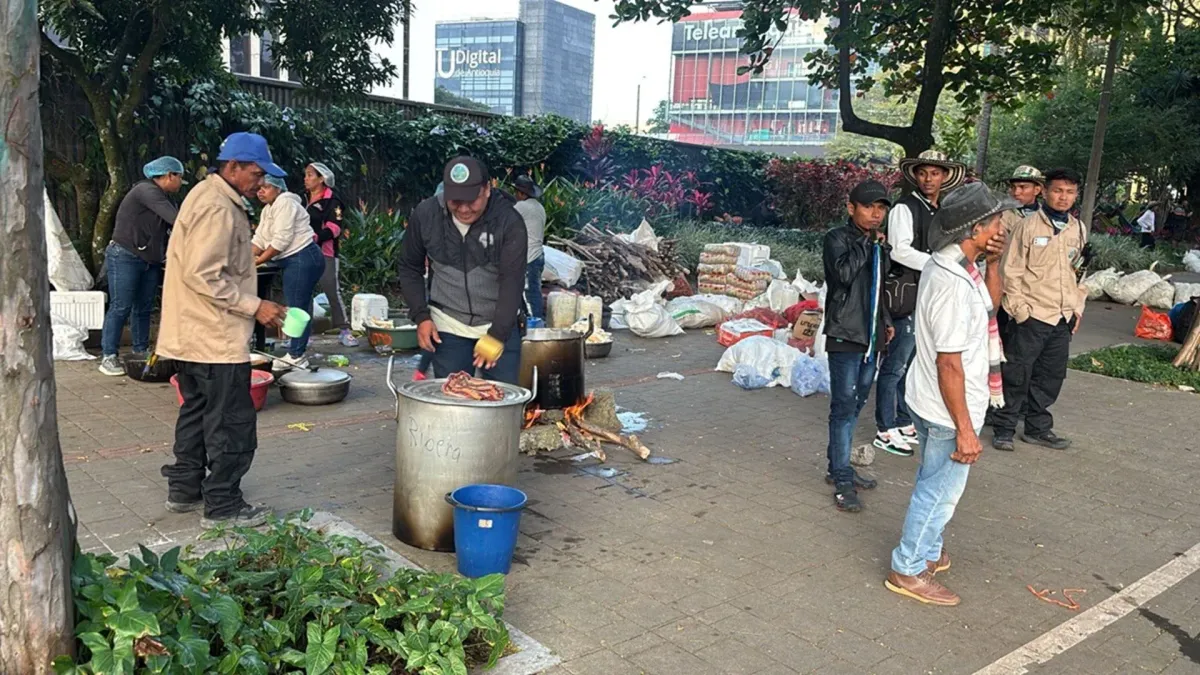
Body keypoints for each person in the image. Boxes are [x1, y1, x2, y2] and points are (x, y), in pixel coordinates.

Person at [885, 183, 1013, 606]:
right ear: (975, 229)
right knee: (939, 492)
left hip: (937, 399)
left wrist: (994, 262)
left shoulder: (963, 265)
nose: (1002, 227)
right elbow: (949, 364)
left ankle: (928, 550)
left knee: (933, 480)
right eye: (996, 222)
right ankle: (908, 567)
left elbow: (991, 306)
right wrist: (965, 430)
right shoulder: (951, 281)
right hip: (947, 406)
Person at [156, 132, 288, 528]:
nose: (260, 182)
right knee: (230, 421)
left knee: (196, 411)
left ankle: (184, 489)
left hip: (190, 335)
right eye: (255, 172)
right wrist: (256, 305)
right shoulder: (218, 207)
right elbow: (203, 274)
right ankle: (224, 505)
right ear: (231, 168)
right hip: (213, 337)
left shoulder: (205, 195)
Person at [397, 157, 527, 384]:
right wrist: (421, 316)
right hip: (448, 324)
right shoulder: (426, 215)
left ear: (487, 189)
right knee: (454, 400)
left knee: (502, 398)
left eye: (471, 200)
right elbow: (409, 267)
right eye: (455, 201)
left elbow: (512, 281)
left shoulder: (509, 221)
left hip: (498, 323)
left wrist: (497, 334)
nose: (464, 209)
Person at [875, 150, 967, 457]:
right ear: (916, 175)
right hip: (908, 293)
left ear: (943, 177)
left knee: (914, 361)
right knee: (896, 364)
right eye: (924, 173)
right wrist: (938, 264)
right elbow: (900, 250)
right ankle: (884, 427)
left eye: (935, 173)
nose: (929, 179)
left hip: (931, 293)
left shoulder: (940, 208)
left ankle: (902, 419)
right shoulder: (905, 208)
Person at [991, 168, 1088, 452]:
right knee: (1017, 373)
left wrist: (1076, 308)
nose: (1063, 197)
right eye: (1058, 190)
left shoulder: (1077, 229)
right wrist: (1021, 311)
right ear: (1044, 192)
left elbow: (1078, 273)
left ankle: (1038, 428)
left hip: (1062, 316)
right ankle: (1004, 428)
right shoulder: (1028, 226)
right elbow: (1011, 271)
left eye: (1069, 192)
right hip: (1032, 315)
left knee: (1050, 375)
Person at [822, 180, 895, 513]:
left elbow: (879, 287)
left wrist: (888, 322)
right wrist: (867, 244)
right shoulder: (837, 239)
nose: (875, 213)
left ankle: (839, 466)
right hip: (845, 335)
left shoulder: (879, 244)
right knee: (842, 407)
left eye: (881, 208)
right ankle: (842, 478)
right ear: (851, 208)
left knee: (855, 404)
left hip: (872, 335)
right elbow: (844, 275)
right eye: (869, 207)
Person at [98, 156, 185, 376]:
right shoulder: (146, 191)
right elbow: (178, 220)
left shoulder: (163, 197)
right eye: (179, 178)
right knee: (121, 306)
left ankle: (141, 351)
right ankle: (108, 356)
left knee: (143, 308)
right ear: (168, 175)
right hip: (125, 255)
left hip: (149, 260)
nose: (180, 183)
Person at [253, 174, 325, 370]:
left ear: (278, 189)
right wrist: (244, 258)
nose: (261, 191)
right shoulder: (268, 209)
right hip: (295, 260)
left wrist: (258, 261)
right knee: (300, 304)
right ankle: (296, 350)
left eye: (266, 187)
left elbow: (280, 241)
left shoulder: (285, 203)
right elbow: (259, 239)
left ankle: (296, 355)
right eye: (259, 188)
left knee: (297, 309)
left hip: (302, 258)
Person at [303, 161, 358, 347]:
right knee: (304, 292)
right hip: (304, 252)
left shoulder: (333, 202)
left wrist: (315, 238)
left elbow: (335, 229)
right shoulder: (303, 200)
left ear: (322, 179)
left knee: (331, 290)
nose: (306, 179)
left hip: (326, 252)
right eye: (306, 175)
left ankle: (344, 330)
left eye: (310, 175)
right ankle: (303, 335)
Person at [512, 175, 547, 320]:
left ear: (521, 193)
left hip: (528, 257)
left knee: (529, 295)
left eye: (516, 192)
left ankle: (535, 326)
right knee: (534, 292)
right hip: (538, 255)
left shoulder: (522, 207)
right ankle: (535, 321)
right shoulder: (539, 207)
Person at [1000, 165, 1044, 235]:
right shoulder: (1001, 216)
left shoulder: (1047, 215)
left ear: (1036, 190)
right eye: (1013, 187)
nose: (1016, 192)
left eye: (1022, 187)